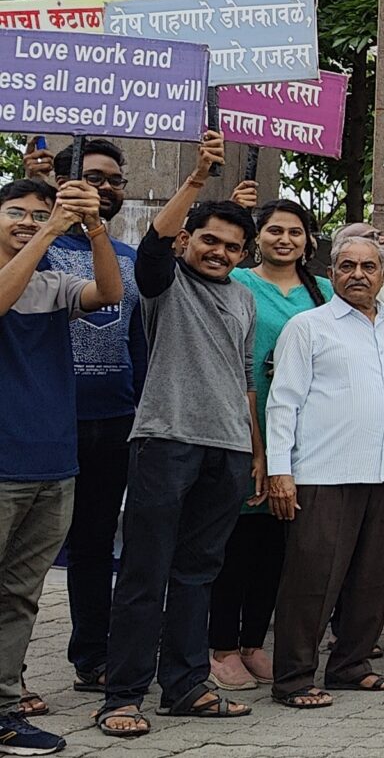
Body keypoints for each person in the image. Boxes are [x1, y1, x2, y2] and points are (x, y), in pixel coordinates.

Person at [96, 134, 264, 735]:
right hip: (165, 441)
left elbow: (244, 378)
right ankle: (122, 696)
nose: (218, 253)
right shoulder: (163, 285)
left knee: (198, 572)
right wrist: (196, 178)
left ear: (244, 255)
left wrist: (255, 453)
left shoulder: (244, 299)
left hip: (228, 449)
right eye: (209, 241)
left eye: (231, 247)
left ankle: (187, 684)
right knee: (146, 571)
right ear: (188, 240)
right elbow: (150, 246)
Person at [263, 232, 384, 710]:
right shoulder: (308, 326)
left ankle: (351, 665)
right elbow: (283, 404)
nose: (359, 274)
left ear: (382, 273)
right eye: (347, 266)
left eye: (369, 267)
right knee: (312, 580)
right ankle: (293, 679)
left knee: (374, 577)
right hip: (324, 473)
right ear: (331, 272)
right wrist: (280, 471)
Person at [0, 175, 119, 755]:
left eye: (39, 211)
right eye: (15, 211)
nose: (27, 218)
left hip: (54, 465)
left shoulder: (52, 284)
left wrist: (93, 223)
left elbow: (110, 292)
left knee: (21, 596)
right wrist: (50, 227)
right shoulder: (14, 278)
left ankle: (3, 711)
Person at [209, 197, 330, 694]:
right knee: (235, 540)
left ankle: (255, 642)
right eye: (275, 230)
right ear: (257, 237)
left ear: (309, 241)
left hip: (304, 432)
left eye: (296, 232)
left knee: (276, 546)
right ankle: (219, 648)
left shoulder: (322, 291)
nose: (286, 240)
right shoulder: (235, 282)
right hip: (241, 422)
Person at [41, 139, 141, 702]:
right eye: (94, 176)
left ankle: (94, 655)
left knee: (97, 545)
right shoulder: (37, 246)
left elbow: (138, 342)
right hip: (49, 421)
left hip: (116, 421)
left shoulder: (124, 257)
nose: (106, 188)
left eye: (115, 180)